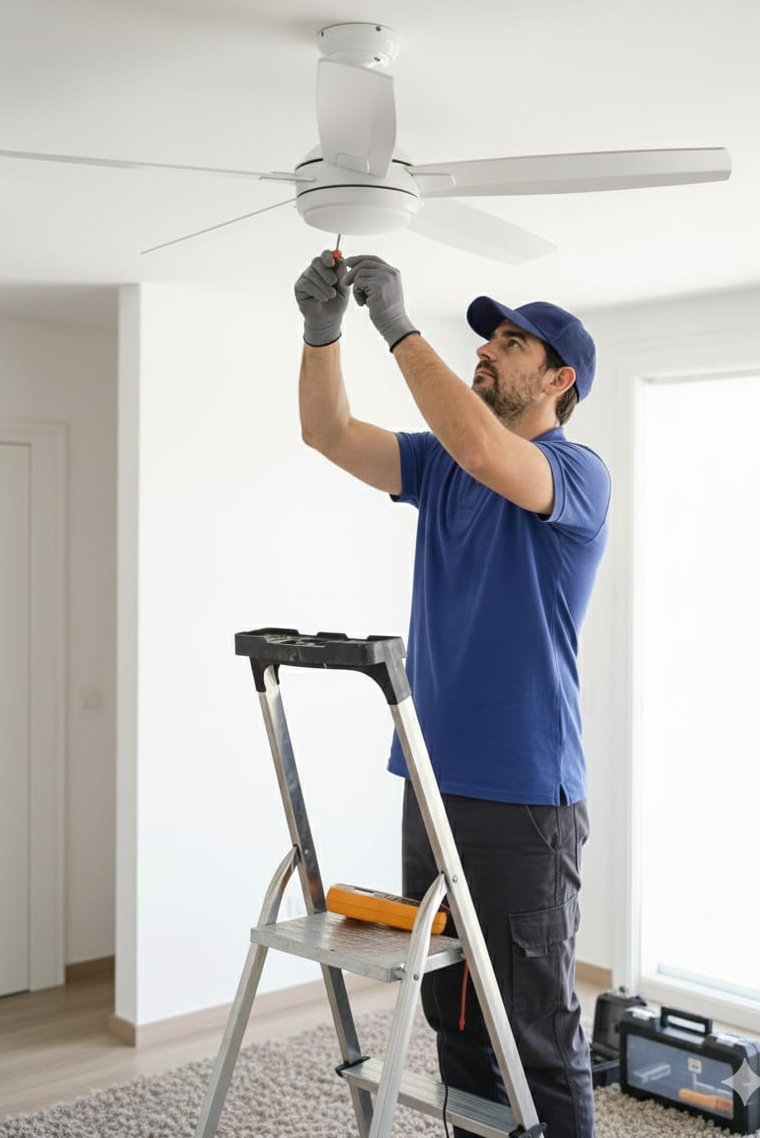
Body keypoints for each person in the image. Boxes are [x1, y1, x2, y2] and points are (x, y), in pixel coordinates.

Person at [295, 250, 610, 1138]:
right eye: (489, 338)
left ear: (559, 379)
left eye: (513, 344)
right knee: (456, 1018)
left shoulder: (576, 476)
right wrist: (324, 334)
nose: (489, 351)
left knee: (535, 1034)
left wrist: (397, 325)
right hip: (432, 786)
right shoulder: (438, 468)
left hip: (523, 800)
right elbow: (330, 434)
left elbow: (481, 443)